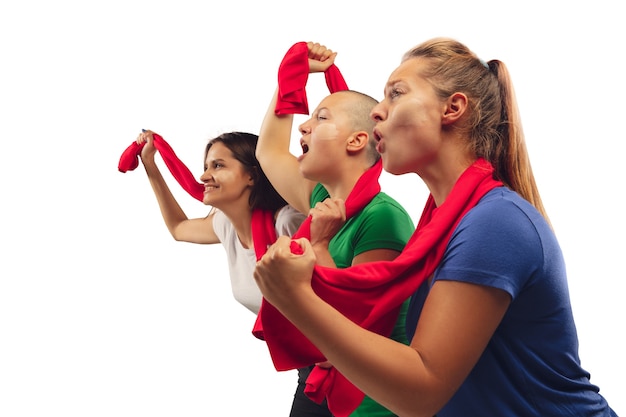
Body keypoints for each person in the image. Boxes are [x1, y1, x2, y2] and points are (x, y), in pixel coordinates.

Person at [253, 37, 618, 417]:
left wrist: (294, 296)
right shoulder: (444, 225)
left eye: (396, 93)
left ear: (453, 108)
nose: (378, 111)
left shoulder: (494, 222)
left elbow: (422, 392)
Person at [255, 42, 415, 417]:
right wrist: (290, 81)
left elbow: (357, 328)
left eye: (322, 118)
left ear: (357, 140)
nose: (306, 126)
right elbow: (268, 152)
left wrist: (321, 244)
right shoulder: (321, 198)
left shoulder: (382, 217)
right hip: (319, 379)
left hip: (368, 400)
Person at [133, 130, 306, 315]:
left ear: (252, 176)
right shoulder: (226, 225)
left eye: (218, 166)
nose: (204, 177)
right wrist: (150, 164)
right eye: (206, 167)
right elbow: (178, 228)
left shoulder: (287, 223)